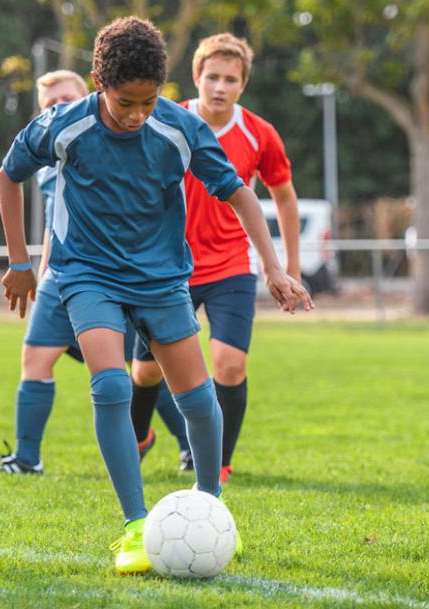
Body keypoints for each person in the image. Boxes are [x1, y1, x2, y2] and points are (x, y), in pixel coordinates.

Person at [0, 17, 311, 574]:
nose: (138, 114)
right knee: (113, 383)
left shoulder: (180, 129)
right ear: (99, 82)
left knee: (198, 399)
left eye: (148, 101)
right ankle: (135, 526)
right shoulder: (62, 125)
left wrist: (275, 267)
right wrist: (20, 261)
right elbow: (9, 173)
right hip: (87, 274)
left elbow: (240, 193)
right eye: (125, 102)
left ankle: (211, 507)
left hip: (163, 279)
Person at [0, 70, 188, 475]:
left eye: (65, 98)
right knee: (35, 356)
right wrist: (32, 267)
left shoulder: (108, 141)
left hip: (110, 274)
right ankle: (27, 458)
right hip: (59, 275)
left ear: (90, 93)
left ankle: (188, 444)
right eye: (50, 105)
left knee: (133, 372)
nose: (58, 108)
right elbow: (47, 214)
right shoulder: (49, 156)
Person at [128, 33, 301, 485]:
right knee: (145, 371)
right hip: (167, 267)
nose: (219, 86)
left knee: (229, 363)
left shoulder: (259, 133)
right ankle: (141, 436)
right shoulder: (164, 118)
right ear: (196, 77)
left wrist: (287, 266)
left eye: (230, 79)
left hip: (230, 267)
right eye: (212, 77)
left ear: (242, 85)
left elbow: (283, 197)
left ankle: (218, 464)